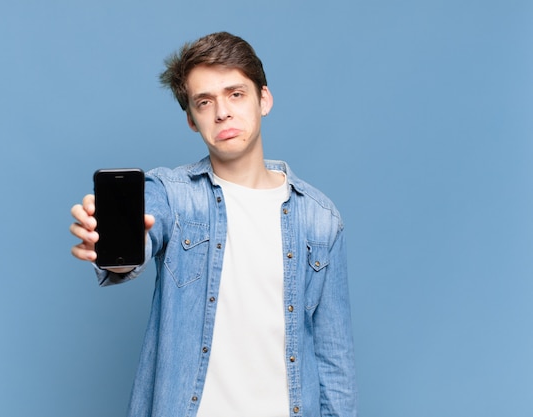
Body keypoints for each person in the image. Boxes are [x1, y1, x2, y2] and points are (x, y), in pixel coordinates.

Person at [70, 31, 357, 417]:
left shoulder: (320, 219)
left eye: (235, 94)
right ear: (191, 119)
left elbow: (333, 357)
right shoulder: (171, 194)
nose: (222, 111)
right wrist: (112, 250)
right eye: (205, 102)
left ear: (264, 99)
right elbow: (140, 238)